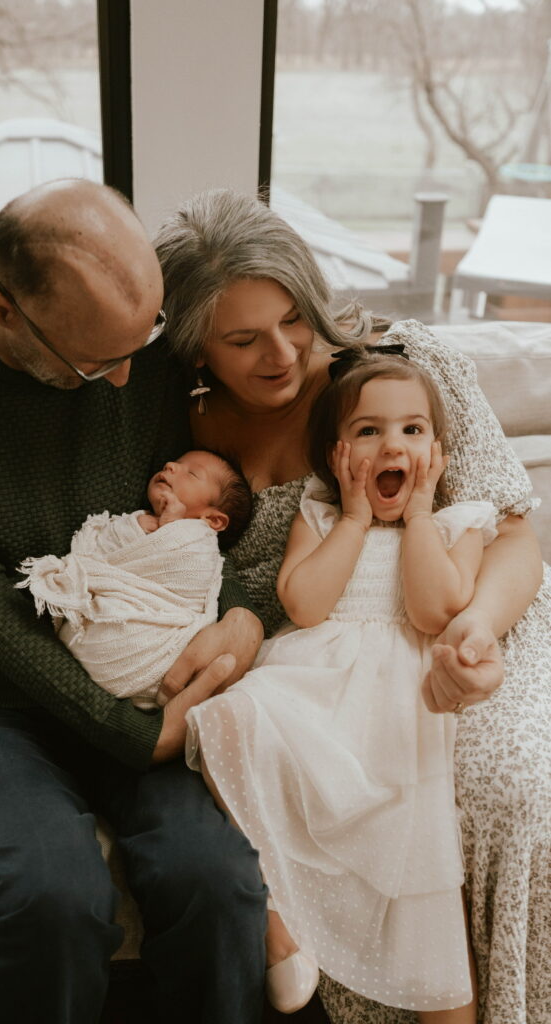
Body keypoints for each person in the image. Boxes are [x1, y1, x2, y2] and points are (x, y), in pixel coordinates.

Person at [0, 180, 267, 1024]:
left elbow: (191, 531)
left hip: (144, 676)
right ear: (2, 310)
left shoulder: (141, 350)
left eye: (141, 344)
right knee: (52, 895)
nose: (125, 380)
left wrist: (241, 617)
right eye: (94, 365)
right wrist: (129, 733)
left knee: (217, 881)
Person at [154, 188, 551, 1024]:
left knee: (509, 789)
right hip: (330, 665)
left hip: (470, 623)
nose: (281, 353)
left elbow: (512, 530)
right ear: (195, 349)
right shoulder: (178, 429)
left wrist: (474, 631)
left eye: (294, 319)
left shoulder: (405, 368)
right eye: (242, 340)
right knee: (326, 784)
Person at [188, 348, 495, 1019]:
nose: (393, 445)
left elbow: (433, 610)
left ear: (436, 454)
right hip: (317, 687)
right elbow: (304, 606)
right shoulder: (321, 516)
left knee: (426, 908)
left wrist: (418, 515)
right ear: (336, 455)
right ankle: (276, 914)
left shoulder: (459, 523)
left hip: (396, 710)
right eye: (368, 431)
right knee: (227, 717)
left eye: (412, 430)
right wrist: (354, 519)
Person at [17, 449, 252, 708]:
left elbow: (189, 580)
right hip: (98, 628)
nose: (170, 465)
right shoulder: (133, 519)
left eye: (192, 473)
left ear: (213, 519)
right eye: (176, 462)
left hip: (155, 643)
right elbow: (97, 554)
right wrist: (133, 529)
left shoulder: (200, 543)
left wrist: (172, 529)